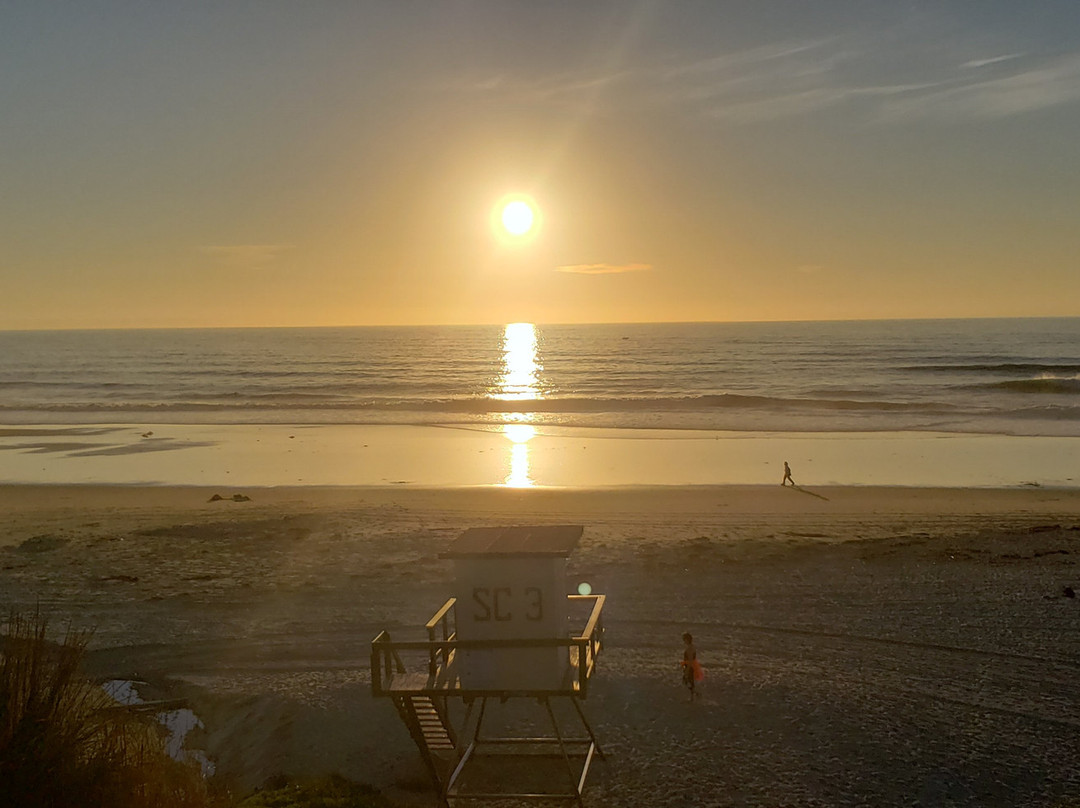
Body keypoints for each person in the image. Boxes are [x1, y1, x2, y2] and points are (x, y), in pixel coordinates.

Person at [680, 632, 704, 700]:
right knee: (689, 681)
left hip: (689, 667)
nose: (683, 641)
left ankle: (695, 695)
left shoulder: (689, 649)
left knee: (688, 681)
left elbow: (690, 660)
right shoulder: (691, 647)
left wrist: (687, 670)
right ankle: (693, 696)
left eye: (684, 639)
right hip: (690, 666)